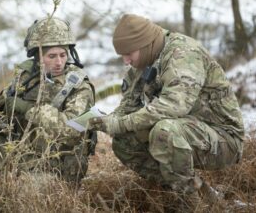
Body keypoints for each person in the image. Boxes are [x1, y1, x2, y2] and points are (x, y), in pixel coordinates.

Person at [88, 14, 244, 210]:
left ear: (144, 44)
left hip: (224, 139)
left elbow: (174, 105)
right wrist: (104, 121)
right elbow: (129, 105)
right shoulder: (143, 61)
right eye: (122, 55)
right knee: (124, 142)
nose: (126, 60)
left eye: (129, 53)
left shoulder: (184, 53)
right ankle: (201, 190)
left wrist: (120, 123)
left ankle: (191, 206)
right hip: (188, 131)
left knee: (164, 132)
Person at [0, 17, 96, 186]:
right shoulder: (27, 76)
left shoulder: (79, 86)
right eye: (51, 56)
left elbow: (71, 129)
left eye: (63, 55)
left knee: (18, 192)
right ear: (38, 56)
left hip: (58, 165)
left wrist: (29, 109)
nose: (59, 62)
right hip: (22, 154)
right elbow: (2, 109)